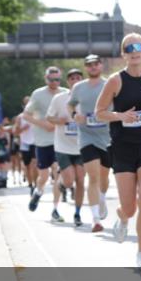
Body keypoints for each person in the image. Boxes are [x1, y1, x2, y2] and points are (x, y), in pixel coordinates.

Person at [97, 35, 141, 270]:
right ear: (123, 54)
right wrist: (120, 116)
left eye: (138, 47)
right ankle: (123, 216)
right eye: (129, 48)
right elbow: (99, 112)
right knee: (130, 207)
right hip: (123, 147)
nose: (134, 51)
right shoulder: (116, 81)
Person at [71, 54, 113, 234]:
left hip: (108, 137)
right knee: (93, 176)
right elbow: (71, 105)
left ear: (101, 65)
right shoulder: (78, 87)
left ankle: (102, 197)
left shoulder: (109, 84)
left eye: (96, 64)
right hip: (86, 136)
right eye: (89, 65)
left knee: (104, 178)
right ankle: (96, 219)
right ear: (86, 68)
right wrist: (75, 115)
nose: (93, 67)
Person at [23, 67, 67, 211]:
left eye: (57, 79)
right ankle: (38, 192)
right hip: (42, 141)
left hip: (60, 140)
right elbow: (26, 115)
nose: (54, 82)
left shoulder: (65, 93)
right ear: (45, 79)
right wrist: (44, 124)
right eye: (50, 79)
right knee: (44, 176)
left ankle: (55, 208)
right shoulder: (38, 94)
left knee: (57, 172)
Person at [47, 68, 86, 225]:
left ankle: (77, 213)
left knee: (81, 180)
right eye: (72, 78)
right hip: (63, 146)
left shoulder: (89, 97)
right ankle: (62, 185)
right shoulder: (59, 98)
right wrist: (60, 121)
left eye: (78, 77)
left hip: (83, 145)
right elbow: (49, 117)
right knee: (69, 181)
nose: (75, 80)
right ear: (68, 82)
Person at [16, 95, 38, 191]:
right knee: (28, 166)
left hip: (36, 143)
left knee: (35, 165)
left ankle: (36, 184)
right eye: (26, 103)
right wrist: (22, 129)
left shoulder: (37, 115)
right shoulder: (20, 117)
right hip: (25, 144)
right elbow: (16, 132)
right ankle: (30, 185)